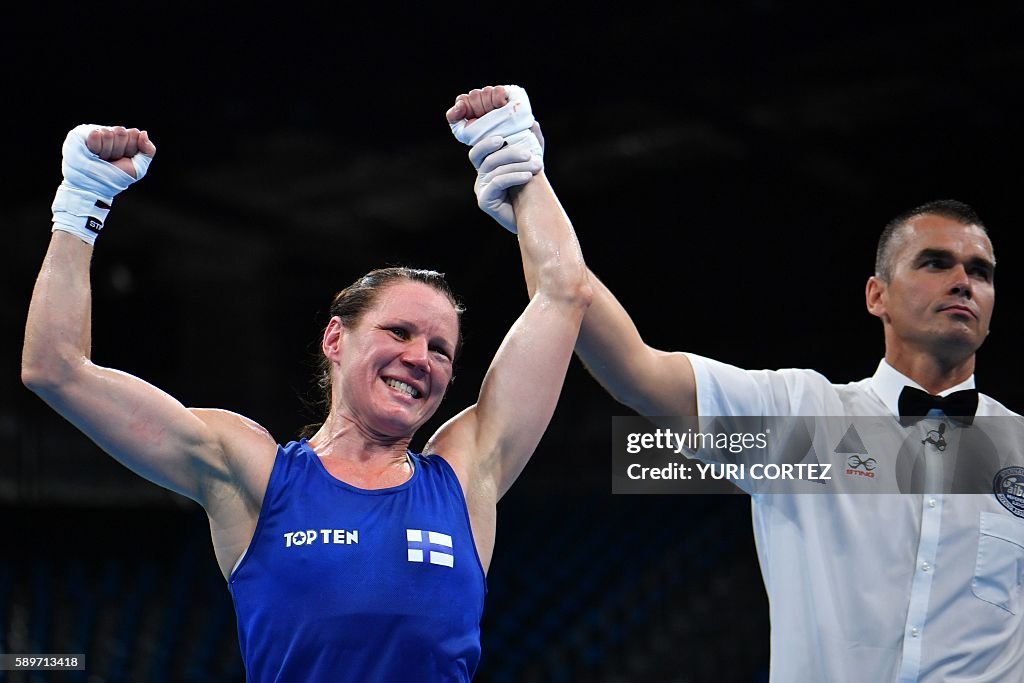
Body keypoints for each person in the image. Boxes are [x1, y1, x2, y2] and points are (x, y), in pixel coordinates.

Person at [22, 93, 590, 682]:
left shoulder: (468, 472)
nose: (420, 358)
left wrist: (522, 162)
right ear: (335, 340)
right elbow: (55, 368)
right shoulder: (253, 473)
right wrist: (82, 202)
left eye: (441, 349)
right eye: (399, 331)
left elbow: (564, 295)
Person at [460, 93, 1024, 681]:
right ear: (876, 295)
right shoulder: (803, 416)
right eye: (935, 263)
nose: (962, 281)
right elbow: (634, 367)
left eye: (980, 271)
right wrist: (529, 190)